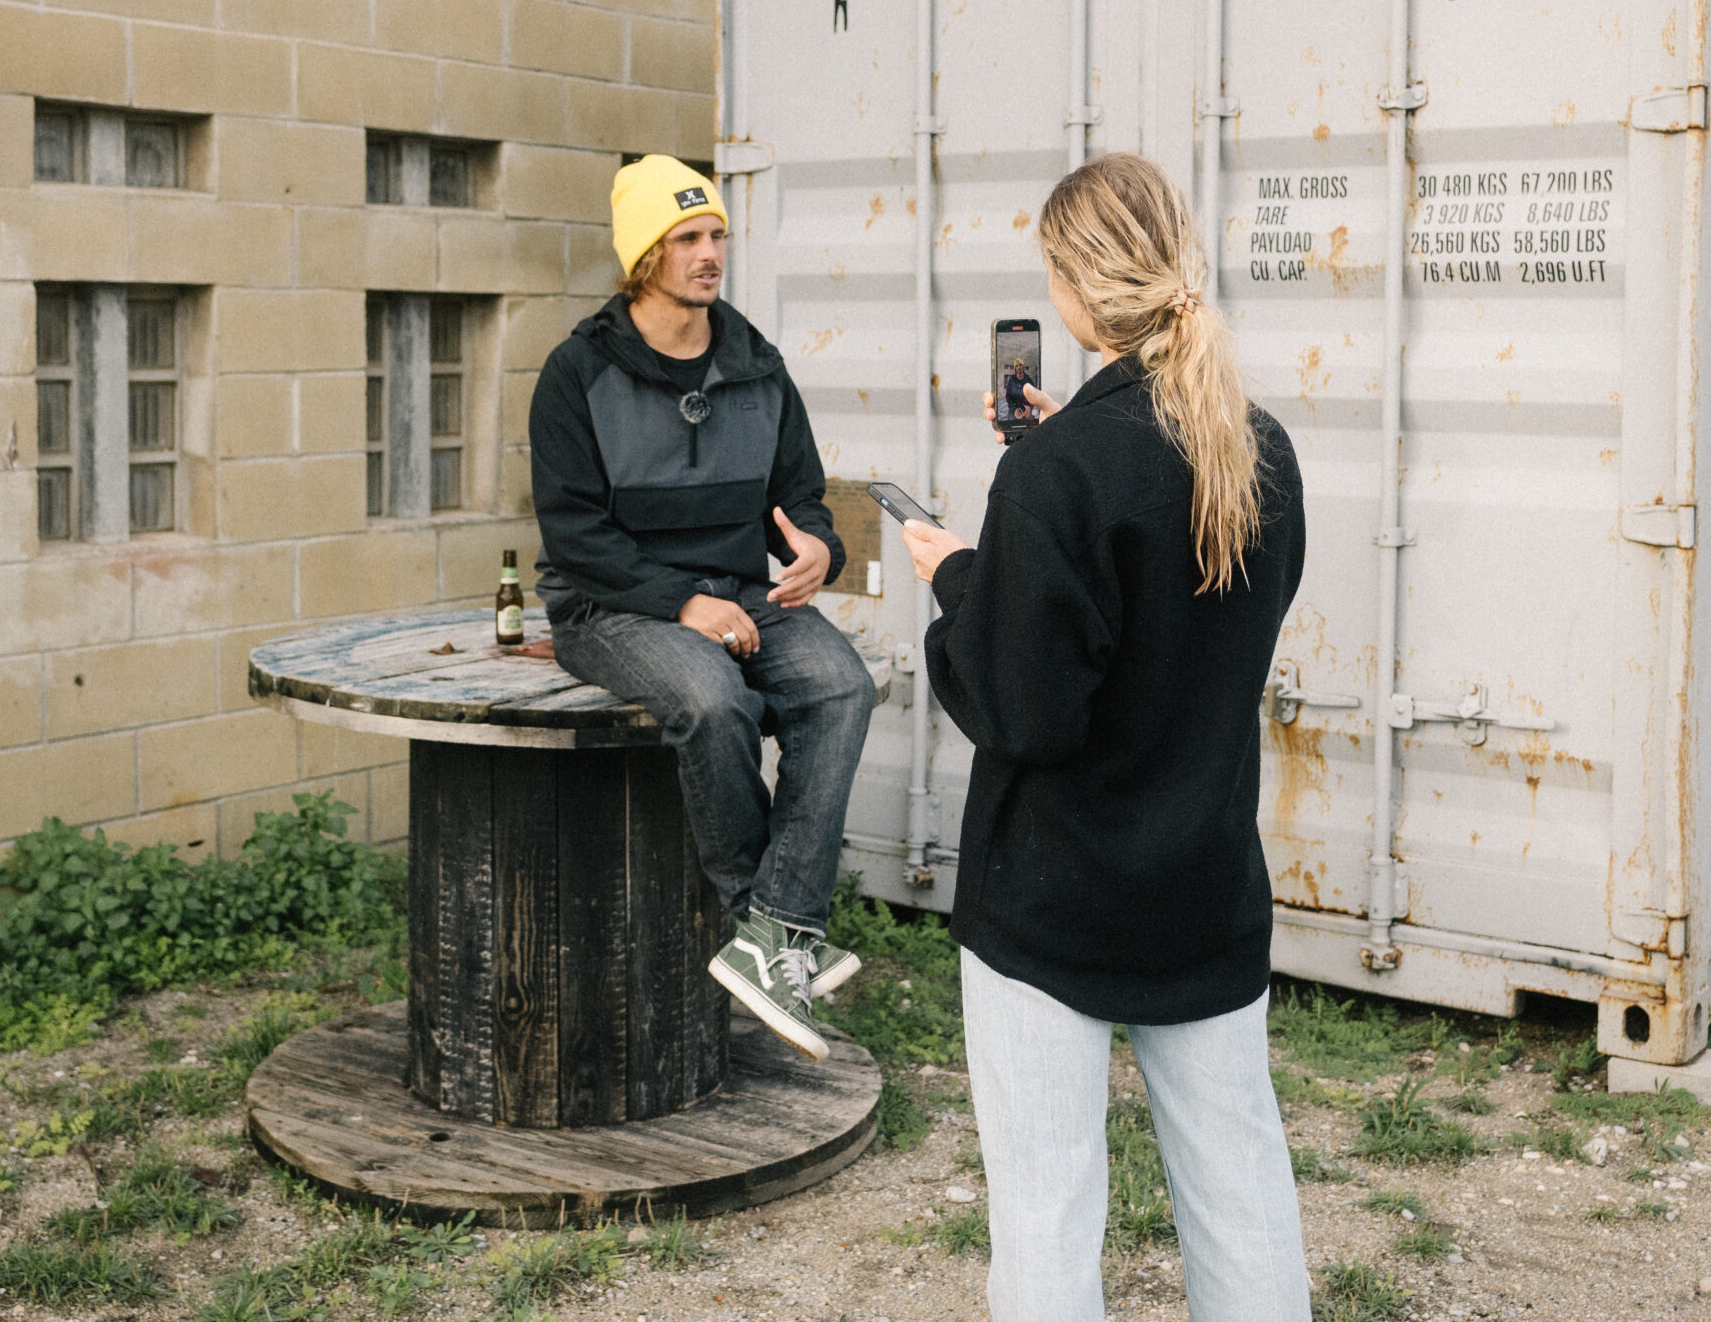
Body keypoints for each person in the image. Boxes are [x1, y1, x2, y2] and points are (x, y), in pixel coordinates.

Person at [899, 152, 1313, 1320]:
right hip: (1204, 882)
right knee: (1239, 1185)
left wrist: (963, 577)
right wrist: (1042, 479)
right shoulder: (1259, 449)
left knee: (1045, 1205)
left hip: (1055, 895)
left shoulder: (1058, 476)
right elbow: (1185, 632)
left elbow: (1021, 707)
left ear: (1075, 289)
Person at [529, 155, 874, 1063]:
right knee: (714, 699)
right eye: (687, 237)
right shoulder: (576, 373)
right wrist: (680, 603)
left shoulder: (757, 364)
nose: (710, 252)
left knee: (842, 686)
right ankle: (763, 922)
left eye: (716, 234)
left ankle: (777, 929)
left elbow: (801, 495)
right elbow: (574, 534)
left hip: (740, 590)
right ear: (645, 255)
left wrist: (816, 548)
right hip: (609, 605)